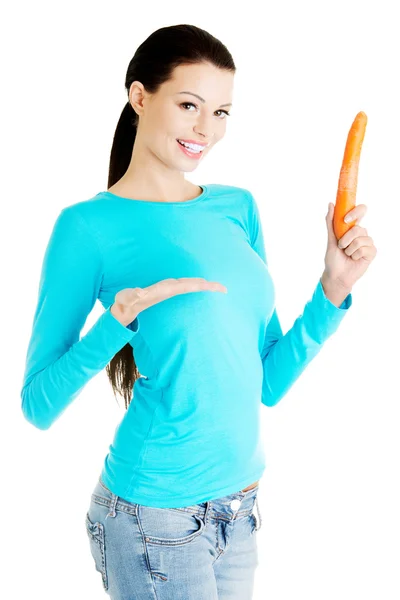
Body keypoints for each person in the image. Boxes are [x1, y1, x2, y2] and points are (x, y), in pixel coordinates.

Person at [20, 23, 359, 599]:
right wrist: (116, 324)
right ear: (139, 97)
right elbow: (38, 404)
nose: (207, 129)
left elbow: (267, 382)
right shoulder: (86, 228)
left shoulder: (238, 208)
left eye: (223, 112)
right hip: (152, 521)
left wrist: (331, 288)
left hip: (239, 508)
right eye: (189, 105)